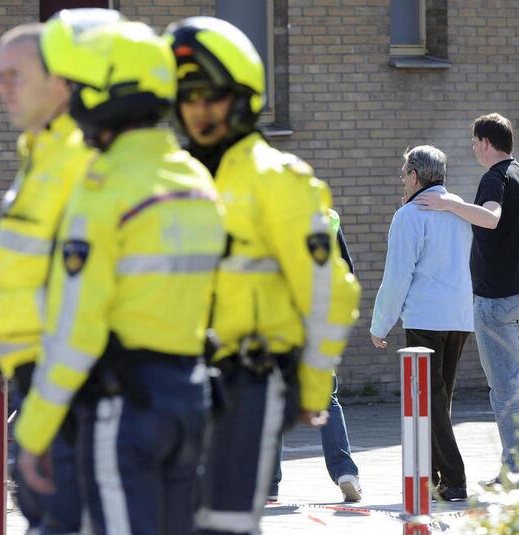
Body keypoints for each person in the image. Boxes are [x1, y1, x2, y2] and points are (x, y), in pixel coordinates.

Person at [13, 18, 226, 535]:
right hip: (190, 399)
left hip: (125, 406)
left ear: (107, 93)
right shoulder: (196, 180)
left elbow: (77, 328)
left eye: (79, 86)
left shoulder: (104, 188)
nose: (73, 99)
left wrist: (35, 432)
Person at [165, 17, 361, 535]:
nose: (198, 110)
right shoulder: (173, 180)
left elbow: (330, 291)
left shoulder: (279, 180)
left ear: (242, 97)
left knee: (224, 520)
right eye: (187, 97)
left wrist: (313, 387)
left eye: (211, 96)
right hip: (172, 378)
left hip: (248, 380)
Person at [0, 12, 119, 534]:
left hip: (82, 389)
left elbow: (102, 290)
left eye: (15, 75)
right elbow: (53, 272)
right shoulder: (39, 157)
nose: (2, 88)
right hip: (41, 385)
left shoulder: (81, 163)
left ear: (59, 82)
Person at [414, 113, 519, 482]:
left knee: (504, 387)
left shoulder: (495, 177)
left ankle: (518, 472)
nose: (473, 148)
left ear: (487, 142)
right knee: (514, 381)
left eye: (474, 142)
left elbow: (490, 217)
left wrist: (448, 205)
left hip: (499, 300)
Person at [370, 145, 473, 501]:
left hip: (426, 317)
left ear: (414, 176)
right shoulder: (459, 209)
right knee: (439, 400)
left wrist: (380, 324)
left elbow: (397, 276)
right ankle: (431, 477)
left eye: (403, 174)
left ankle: (455, 480)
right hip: (460, 317)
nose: (402, 180)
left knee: (428, 400)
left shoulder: (409, 216)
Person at [270, 208, 361, 503]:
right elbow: (346, 273)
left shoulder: (266, 210)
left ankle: (268, 485)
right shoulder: (327, 217)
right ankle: (345, 473)